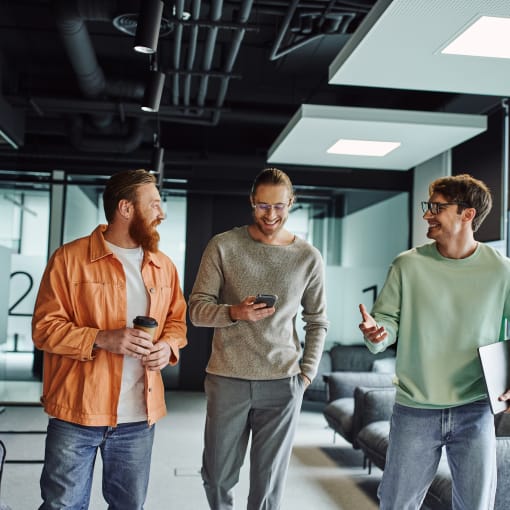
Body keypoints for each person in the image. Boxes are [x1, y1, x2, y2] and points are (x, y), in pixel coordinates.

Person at [32, 169, 187, 510]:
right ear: (126, 209)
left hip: (137, 418)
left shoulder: (164, 266)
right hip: (77, 412)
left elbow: (176, 323)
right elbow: (44, 328)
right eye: (155, 205)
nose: (162, 213)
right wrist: (100, 338)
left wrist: (167, 347)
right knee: (62, 506)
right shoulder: (69, 260)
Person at [358, 173, 510, 510]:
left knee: (476, 506)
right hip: (415, 409)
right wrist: (378, 333)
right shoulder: (407, 265)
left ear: (467, 214)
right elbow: (387, 323)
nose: (427, 214)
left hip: (475, 409)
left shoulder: (501, 271)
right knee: (397, 504)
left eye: (436, 207)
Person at [188, 167, 329, 510]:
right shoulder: (224, 245)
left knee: (267, 483)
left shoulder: (308, 257)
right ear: (252, 202)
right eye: (263, 206)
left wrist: (306, 373)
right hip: (228, 378)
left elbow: (317, 320)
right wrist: (234, 313)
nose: (271, 215)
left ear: (291, 203)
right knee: (217, 475)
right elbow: (196, 309)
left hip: (282, 382)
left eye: (279, 206)